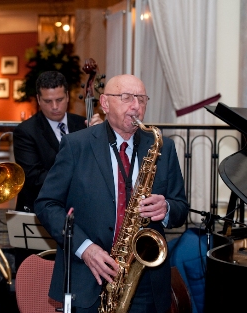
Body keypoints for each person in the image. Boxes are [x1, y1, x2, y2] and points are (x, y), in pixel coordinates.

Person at [35, 74, 189, 313]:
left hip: (144, 280)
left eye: (141, 99)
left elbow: (180, 207)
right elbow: (46, 204)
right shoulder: (76, 145)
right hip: (88, 276)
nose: (136, 106)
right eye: (127, 98)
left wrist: (166, 208)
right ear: (105, 104)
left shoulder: (163, 146)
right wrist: (85, 248)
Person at [12, 71, 102, 269]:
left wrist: (103, 136)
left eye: (59, 99)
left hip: (80, 217)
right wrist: (78, 183)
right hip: (40, 216)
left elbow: (100, 168)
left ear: (68, 97)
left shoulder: (84, 125)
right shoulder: (26, 132)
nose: (54, 106)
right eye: (47, 101)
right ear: (38, 99)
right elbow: (34, 177)